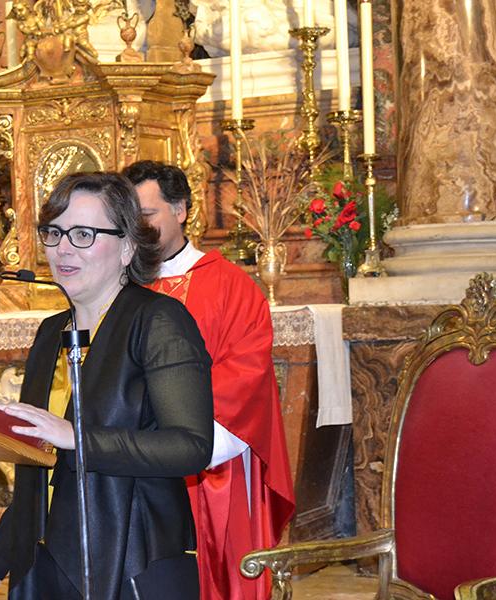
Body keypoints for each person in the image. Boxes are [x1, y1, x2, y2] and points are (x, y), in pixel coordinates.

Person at [0, 172, 215, 599]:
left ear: (128, 247)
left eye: (83, 233)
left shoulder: (159, 321)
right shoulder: (50, 334)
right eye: (55, 232)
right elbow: (37, 468)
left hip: (130, 559)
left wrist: (76, 438)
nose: (63, 248)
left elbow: (191, 447)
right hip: (45, 565)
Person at [123, 160, 295, 600]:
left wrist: (176, 435)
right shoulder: (118, 287)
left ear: (180, 209)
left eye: (147, 215)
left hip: (209, 461)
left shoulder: (230, 286)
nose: (138, 229)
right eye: (128, 219)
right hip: (129, 462)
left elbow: (245, 375)